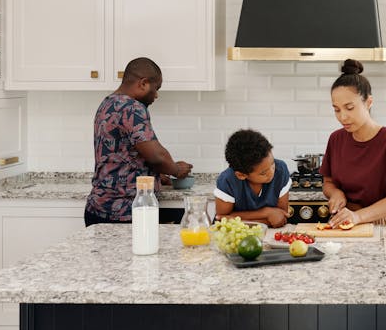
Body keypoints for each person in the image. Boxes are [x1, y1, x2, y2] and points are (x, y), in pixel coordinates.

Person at [85, 57, 192, 227]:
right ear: (143, 83)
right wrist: (176, 170)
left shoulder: (108, 103)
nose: (156, 95)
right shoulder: (131, 107)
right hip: (123, 213)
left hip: (99, 209)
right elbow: (157, 156)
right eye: (156, 88)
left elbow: (122, 154)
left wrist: (155, 175)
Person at [321, 59, 386, 228]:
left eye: (349, 108)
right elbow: (328, 183)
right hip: (339, 223)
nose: (342, 117)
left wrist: (357, 217)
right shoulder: (336, 139)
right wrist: (336, 193)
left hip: (375, 225)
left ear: (369, 102)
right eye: (336, 109)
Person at [213, 129, 291, 228]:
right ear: (241, 175)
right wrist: (266, 213)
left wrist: (237, 219)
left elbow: (280, 218)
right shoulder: (227, 181)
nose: (271, 172)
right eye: (263, 173)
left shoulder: (280, 170)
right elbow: (222, 219)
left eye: (272, 164)